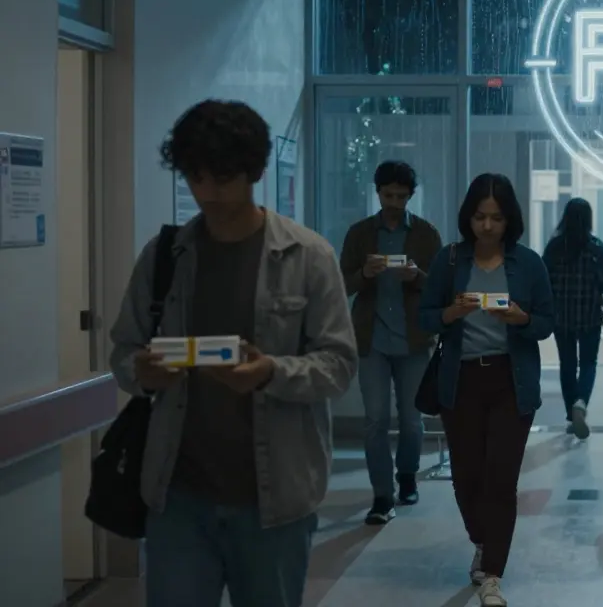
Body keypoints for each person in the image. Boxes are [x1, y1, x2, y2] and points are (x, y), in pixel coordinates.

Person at [108, 100, 358, 607]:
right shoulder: (163, 257)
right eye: (196, 178)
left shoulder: (308, 257)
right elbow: (124, 352)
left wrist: (270, 372)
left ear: (256, 172)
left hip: (274, 500)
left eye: (223, 178)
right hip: (177, 495)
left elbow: (338, 365)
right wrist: (143, 373)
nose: (209, 193)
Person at [419, 173, 554, 607]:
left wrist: (521, 321)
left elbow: (547, 323)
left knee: (500, 479)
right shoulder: (451, 260)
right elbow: (424, 317)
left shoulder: (528, 264)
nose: (488, 226)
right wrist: (449, 313)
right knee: (466, 478)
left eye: (496, 218)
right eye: (480, 217)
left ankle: (492, 572)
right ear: (468, 217)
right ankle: (483, 538)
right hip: (460, 381)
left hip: (510, 380)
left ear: (509, 219)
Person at [339, 160, 442, 524]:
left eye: (401, 196)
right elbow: (342, 285)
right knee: (375, 419)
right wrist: (363, 274)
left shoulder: (426, 234)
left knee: (413, 420)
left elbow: (441, 289)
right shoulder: (360, 233)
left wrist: (417, 276)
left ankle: (407, 474)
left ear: (411, 196)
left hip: (414, 340)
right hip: (373, 340)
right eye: (388, 195)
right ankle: (382, 496)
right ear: (377, 193)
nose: (394, 202)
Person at [542, 197, 603, 439]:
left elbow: (543, 281)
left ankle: (570, 415)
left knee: (567, 364)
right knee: (588, 364)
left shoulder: (554, 248)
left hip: (561, 317)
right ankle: (581, 404)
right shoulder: (596, 247)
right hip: (589, 317)